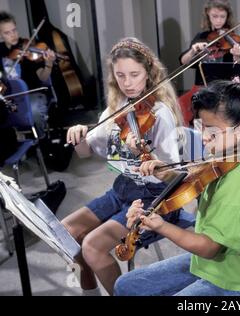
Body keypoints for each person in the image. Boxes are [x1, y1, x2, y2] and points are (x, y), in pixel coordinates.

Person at [114, 80, 240, 296]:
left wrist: (160, 226)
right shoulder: (219, 158)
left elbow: (209, 248)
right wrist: (167, 173)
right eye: (200, 127)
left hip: (237, 281)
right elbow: (194, 185)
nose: (203, 137)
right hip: (214, 265)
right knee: (125, 285)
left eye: (213, 132)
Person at [62, 37, 184, 295]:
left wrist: (146, 154)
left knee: (93, 245)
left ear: (148, 74)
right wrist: (78, 137)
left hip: (155, 198)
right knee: (67, 231)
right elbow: (85, 153)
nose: (127, 83)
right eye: (120, 75)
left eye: (134, 75)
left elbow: (176, 175)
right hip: (123, 189)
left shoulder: (160, 113)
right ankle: (91, 292)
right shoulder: (115, 109)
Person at [178, 0, 240, 125]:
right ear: (208, 15)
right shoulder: (201, 37)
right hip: (203, 88)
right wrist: (193, 51)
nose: (218, 20)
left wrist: (238, 57)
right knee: (180, 106)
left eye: (222, 16)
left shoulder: (234, 40)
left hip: (225, 91)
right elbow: (183, 62)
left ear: (227, 17)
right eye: (214, 16)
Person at [0, 11, 55, 139]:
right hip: (8, 97)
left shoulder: (27, 47)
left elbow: (43, 77)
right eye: (7, 33)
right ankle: (12, 139)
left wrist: (49, 63)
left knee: (34, 110)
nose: (13, 35)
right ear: (1, 35)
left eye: (14, 30)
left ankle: (39, 138)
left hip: (31, 94)